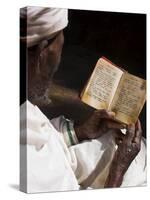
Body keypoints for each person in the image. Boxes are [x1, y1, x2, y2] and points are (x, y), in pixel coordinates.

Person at [20, 7, 146, 193]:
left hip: (64, 157)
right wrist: (118, 172)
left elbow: (39, 139)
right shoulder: (33, 171)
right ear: (42, 50)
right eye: (61, 36)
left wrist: (79, 132)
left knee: (109, 140)